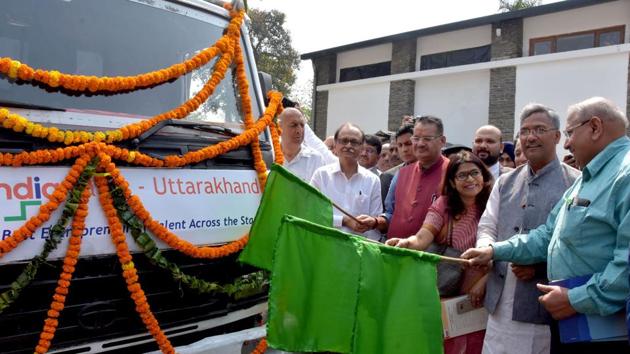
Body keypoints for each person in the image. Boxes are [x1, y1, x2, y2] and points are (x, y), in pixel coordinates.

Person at [463, 97, 630, 353]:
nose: (568, 143)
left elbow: (626, 262)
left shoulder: (623, 176)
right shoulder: (586, 179)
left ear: (595, 127)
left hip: (602, 322)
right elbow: (546, 236)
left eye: (570, 133)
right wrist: (493, 251)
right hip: (575, 319)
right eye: (525, 131)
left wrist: (577, 299)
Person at [477, 104, 580, 354]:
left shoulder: (575, 182)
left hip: (540, 305)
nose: (531, 137)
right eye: (525, 131)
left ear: (557, 137)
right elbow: (487, 225)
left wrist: (539, 266)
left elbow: (577, 243)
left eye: (539, 129)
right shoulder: (505, 181)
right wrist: (485, 250)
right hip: (499, 300)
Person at [387, 151, 493, 354]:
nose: (470, 179)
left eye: (474, 173)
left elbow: (504, 249)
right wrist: (405, 242)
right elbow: (422, 238)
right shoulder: (443, 205)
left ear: (484, 176)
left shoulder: (496, 204)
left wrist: (484, 281)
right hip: (449, 293)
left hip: (484, 293)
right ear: (452, 182)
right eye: (462, 175)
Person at [359, 116, 449, 239]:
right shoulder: (401, 173)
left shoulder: (452, 172)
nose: (420, 144)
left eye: (427, 139)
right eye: (416, 138)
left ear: (442, 141)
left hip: (432, 254)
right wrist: (375, 222)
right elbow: (391, 213)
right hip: (395, 250)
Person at [310, 123, 382, 241]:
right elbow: (311, 213)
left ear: (362, 146)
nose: (348, 145)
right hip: (325, 245)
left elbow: (375, 222)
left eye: (354, 142)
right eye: (344, 141)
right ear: (336, 144)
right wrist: (343, 221)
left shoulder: (372, 180)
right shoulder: (322, 175)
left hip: (358, 249)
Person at [279, 108, 325, 181]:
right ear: (279, 127)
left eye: (302, 125)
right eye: (294, 125)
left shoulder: (315, 159)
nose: (299, 130)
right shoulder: (268, 155)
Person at [378, 125, 416, 205]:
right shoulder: (388, 176)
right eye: (400, 145)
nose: (404, 149)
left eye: (408, 144)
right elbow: (387, 211)